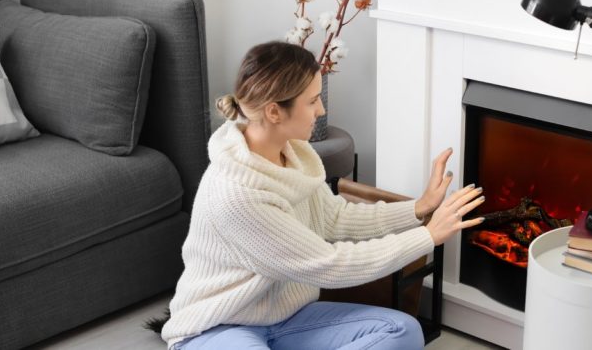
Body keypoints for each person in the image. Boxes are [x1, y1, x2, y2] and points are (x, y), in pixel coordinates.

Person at [161, 41, 485, 350]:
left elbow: (334, 218)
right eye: (312, 100)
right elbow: (330, 264)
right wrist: (427, 237)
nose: (321, 109)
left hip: (288, 319)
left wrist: (417, 209)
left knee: (401, 331)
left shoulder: (296, 154)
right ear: (274, 112)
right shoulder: (238, 195)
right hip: (220, 326)